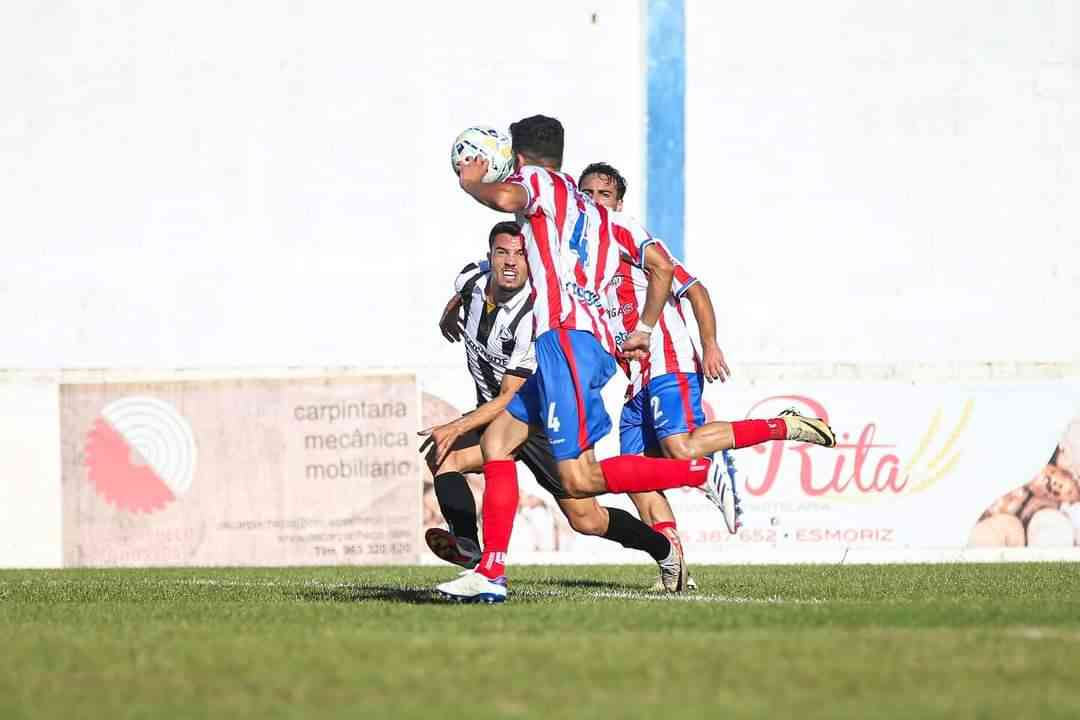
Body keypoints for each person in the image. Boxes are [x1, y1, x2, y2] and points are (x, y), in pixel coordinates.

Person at [437, 115, 836, 603]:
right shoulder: (606, 218)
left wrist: (473, 179)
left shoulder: (540, 183)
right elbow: (662, 267)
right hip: (585, 347)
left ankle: (698, 472)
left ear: (518, 158)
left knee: (578, 479)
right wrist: (643, 327)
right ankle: (490, 571)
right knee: (499, 441)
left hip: (567, 340)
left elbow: (505, 198)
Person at [421, 221, 690, 593]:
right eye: (503, 253)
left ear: (533, 263)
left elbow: (507, 397)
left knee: (587, 519)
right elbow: (464, 288)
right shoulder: (471, 280)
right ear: (490, 258)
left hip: (537, 419)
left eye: (520, 254)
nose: (511, 262)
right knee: (445, 455)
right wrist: (450, 313)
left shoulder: (531, 316)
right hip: (499, 416)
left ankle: (663, 549)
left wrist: (457, 425)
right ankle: (470, 548)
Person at [579, 162, 741, 590]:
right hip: (635, 380)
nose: (595, 202)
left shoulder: (633, 241)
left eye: (604, 194)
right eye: (587, 194)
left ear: (618, 203)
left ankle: (709, 467)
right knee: (639, 478)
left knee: (678, 448)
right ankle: (676, 571)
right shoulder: (578, 260)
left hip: (670, 363)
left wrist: (709, 345)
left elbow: (695, 290)